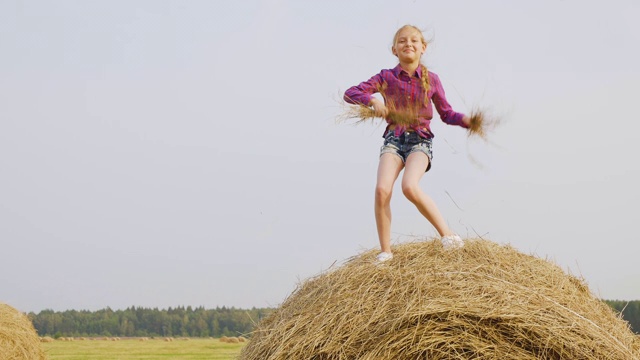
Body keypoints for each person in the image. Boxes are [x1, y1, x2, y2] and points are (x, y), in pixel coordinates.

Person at [343, 25, 469, 262]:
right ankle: (385, 252)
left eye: (413, 40)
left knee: (409, 187)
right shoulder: (385, 77)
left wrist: (466, 121)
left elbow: (446, 113)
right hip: (393, 140)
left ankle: (448, 236)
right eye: (402, 41)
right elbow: (350, 93)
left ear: (423, 47)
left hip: (420, 141)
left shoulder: (431, 80)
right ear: (394, 49)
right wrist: (371, 100)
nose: (408, 44)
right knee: (382, 190)